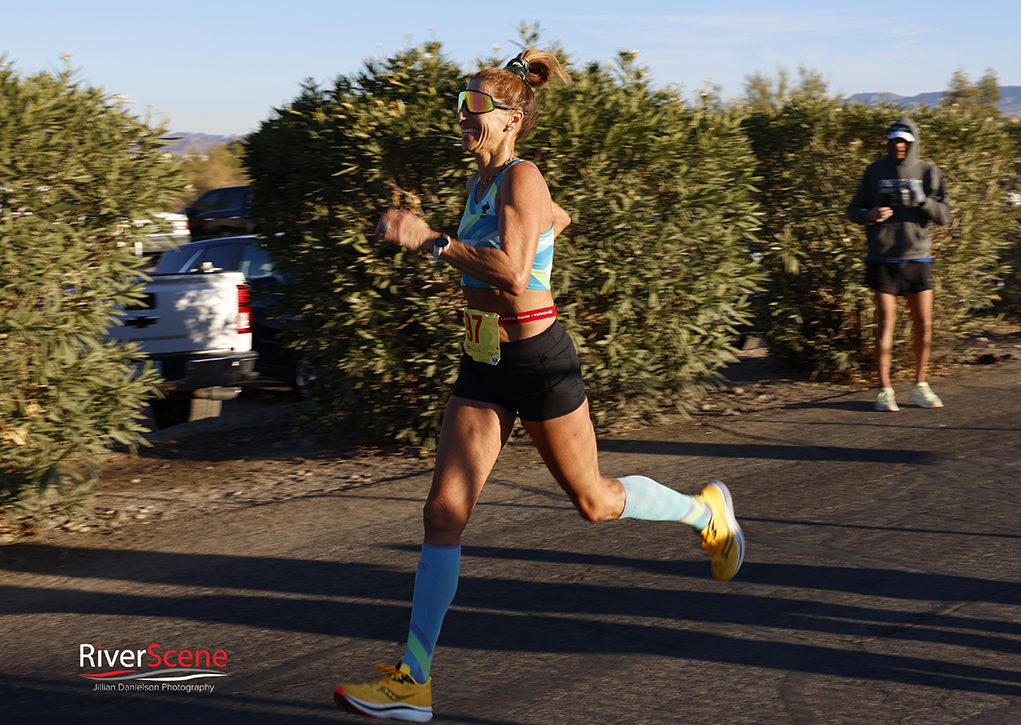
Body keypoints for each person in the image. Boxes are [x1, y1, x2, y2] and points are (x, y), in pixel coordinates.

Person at [333, 49, 744, 722]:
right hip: (482, 365)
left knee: (593, 500)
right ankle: (413, 679)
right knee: (443, 511)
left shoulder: (521, 177)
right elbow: (549, 222)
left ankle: (705, 513)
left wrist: (430, 240)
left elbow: (513, 273)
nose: (463, 120)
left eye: (476, 110)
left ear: (513, 119)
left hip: (539, 364)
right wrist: (553, 221)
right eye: (459, 108)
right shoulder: (482, 184)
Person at [848, 116, 951, 412]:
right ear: (889, 142)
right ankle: (885, 389)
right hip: (882, 259)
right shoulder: (874, 170)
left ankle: (920, 385)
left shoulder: (929, 171)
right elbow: (853, 210)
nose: (899, 146)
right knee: (885, 325)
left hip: (918, 258)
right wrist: (870, 215)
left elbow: (944, 216)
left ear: (913, 142)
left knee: (925, 325)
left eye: (904, 141)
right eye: (894, 140)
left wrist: (923, 202)